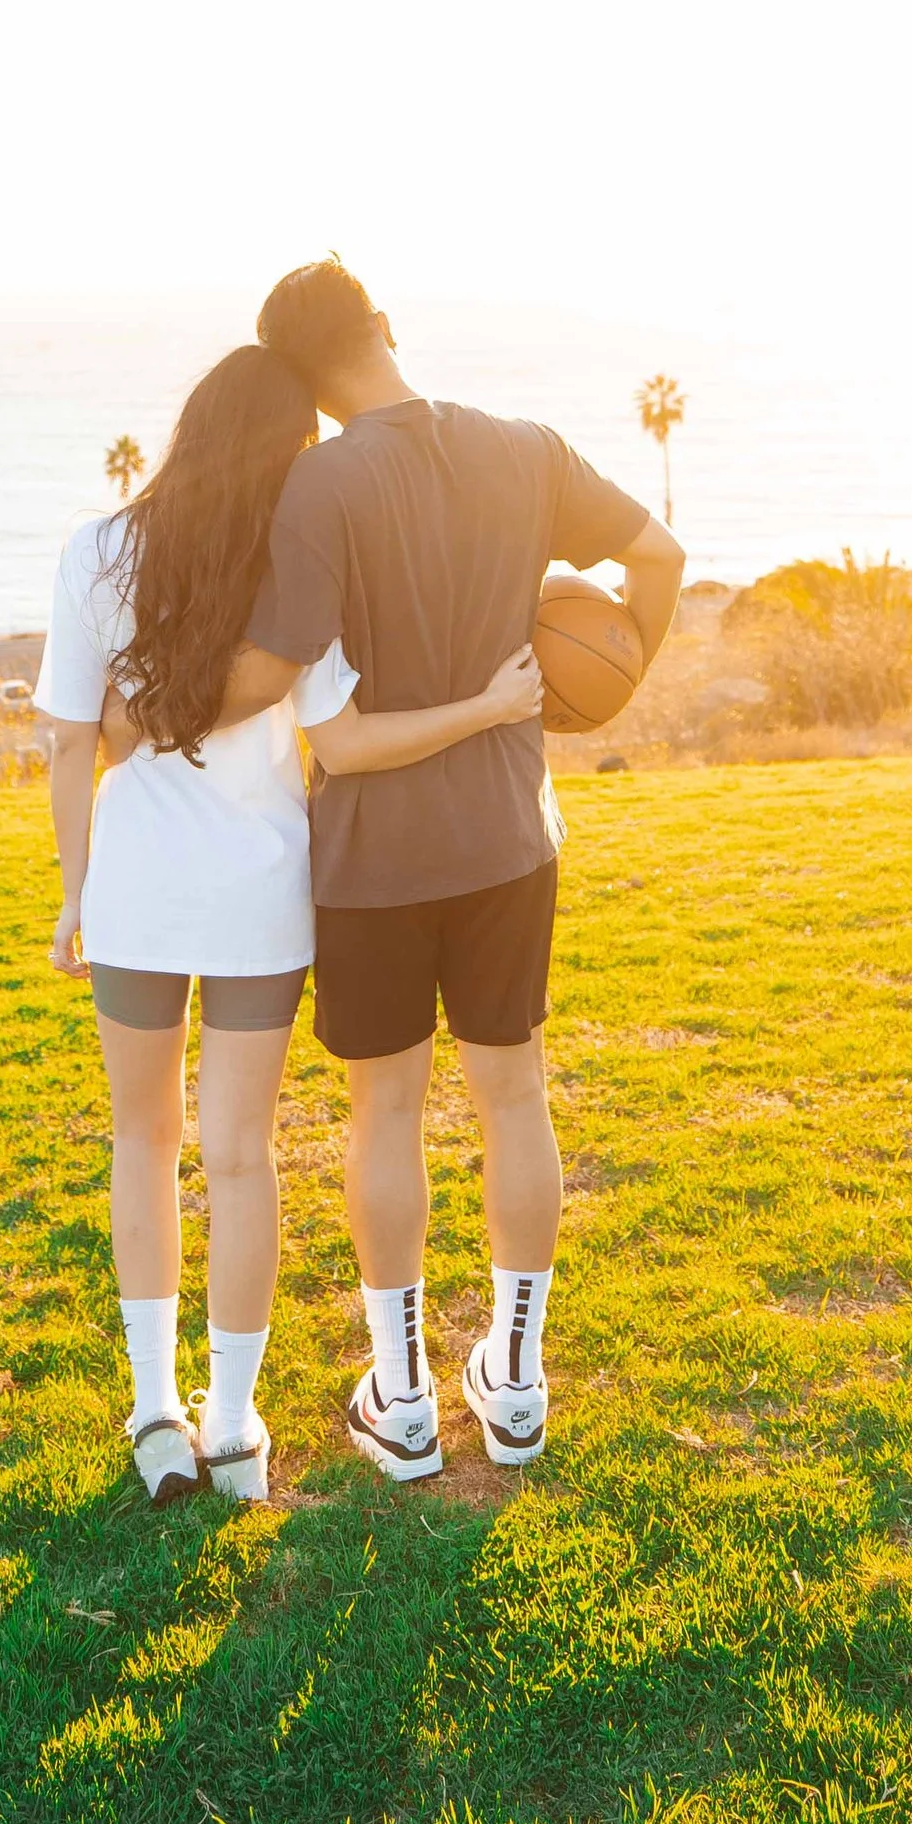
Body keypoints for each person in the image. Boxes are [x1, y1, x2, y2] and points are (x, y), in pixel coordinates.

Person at [38, 344, 545, 1507]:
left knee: (140, 1145)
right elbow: (350, 743)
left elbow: (76, 738)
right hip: (261, 895)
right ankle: (233, 1430)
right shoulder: (294, 566)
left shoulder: (95, 549)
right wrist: (491, 705)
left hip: (134, 895)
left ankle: (154, 1414)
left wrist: (72, 890)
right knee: (240, 1156)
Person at [208, 260, 683, 1483]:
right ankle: (515, 1388)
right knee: (513, 1096)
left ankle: (406, 1400)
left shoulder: (318, 483)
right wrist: (604, 691)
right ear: (384, 328)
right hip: (508, 842)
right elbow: (661, 556)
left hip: (370, 857)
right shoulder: (526, 449)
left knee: (387, 1113)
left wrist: (139, 712)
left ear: (304, 386)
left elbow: (279, 662)